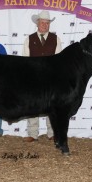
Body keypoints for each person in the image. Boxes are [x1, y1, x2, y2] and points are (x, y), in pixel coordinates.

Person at [23, 10, 62, 142]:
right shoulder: (29, 39)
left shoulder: (56, 39)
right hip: (33, 78)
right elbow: (25, 60)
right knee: (33, 105)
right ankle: (33, 134)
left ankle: (52, 133)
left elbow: (59, 61)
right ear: (37, 23)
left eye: (47, 23)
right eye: (42, 22)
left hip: (51, 79)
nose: (45, 25)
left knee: (52, 106)